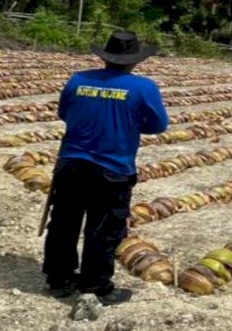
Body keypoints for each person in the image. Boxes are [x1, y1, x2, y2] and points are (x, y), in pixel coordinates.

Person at [42, 30, 169, 305]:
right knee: (105, 227)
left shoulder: (78, 80)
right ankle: (96, 285)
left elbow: (64, 113)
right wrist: (131, 122)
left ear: (105, 58)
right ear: (135, 61)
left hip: (71, 164)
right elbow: (158, 125)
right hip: (112, 169)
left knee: (64, 222)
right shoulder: (143, 87)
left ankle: (58, 280)